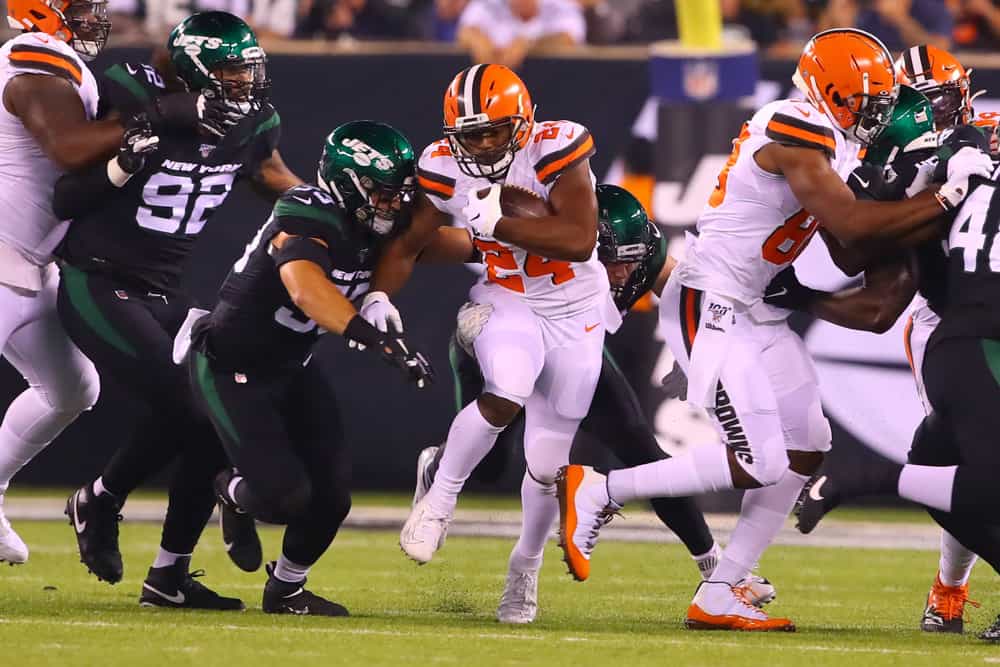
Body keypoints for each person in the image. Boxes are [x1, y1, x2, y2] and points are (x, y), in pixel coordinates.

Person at [555, 28, 993, 632]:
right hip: (713, 300)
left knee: (809, 444)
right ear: (832, 94)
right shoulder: (793, 121)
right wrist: (945, 196)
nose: (876, 114)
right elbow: (852, 224)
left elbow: (850, 251)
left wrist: (916, 188)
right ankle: (599, 489)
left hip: (760, 308)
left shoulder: (838, 143)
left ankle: (721, 589)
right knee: (760, 459)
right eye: (865, 102)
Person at [410, 184, 775, 623]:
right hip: (508, 343)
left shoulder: (644, 253)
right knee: (488, 469)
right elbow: (439, 243)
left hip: (574, 350)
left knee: (637, 451)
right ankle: (440, 468)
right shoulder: (545, 237)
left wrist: (699, 354)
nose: (622, 273)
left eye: (629, 259)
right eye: (611, 260)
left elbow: (684, 296)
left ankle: (714, 567)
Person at [57, 11, 302, 609]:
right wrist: (160, 118)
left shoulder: (252, 123)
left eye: (249, 71)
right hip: (98, 279)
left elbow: (273, 178)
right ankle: (100, 498)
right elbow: (70, 165)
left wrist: (332, 208)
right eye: (228, 71)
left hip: (165, 290)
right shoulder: (132, 88)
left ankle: (168, 575)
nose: (244, 83)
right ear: (193, 70)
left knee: (215, 406)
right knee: (188, 403)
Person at [363, 63, 607, 622]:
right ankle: (440, 498)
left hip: (577, 308)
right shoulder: (442, 166)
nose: (487, 143)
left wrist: (496, 223)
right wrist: (379, 295)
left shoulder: (556, 147)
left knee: (548, 465)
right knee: (508, 391)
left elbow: (578, 238)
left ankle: (524, 571)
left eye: (497, 130)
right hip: (508, 297)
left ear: (523, 124)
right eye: (473, 134)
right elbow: (409, 243)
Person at [0, 0, 216, 563]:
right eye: (84, 7)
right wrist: (160, 114)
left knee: (72, 390)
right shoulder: (34, 62)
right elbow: (70, 150)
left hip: (30, 263)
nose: (98, 17)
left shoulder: (63, 61)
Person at [194, 121, 433, 616]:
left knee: (332, 498)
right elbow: (306, 289)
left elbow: (456, 243)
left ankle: (286, 589)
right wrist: (373, 336)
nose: (393, 203)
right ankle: (232, 492)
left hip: (291, 366)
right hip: (233, 364)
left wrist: (506, 234)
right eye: (383, 193)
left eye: (399, 193)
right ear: (347, 183)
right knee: (284, 499)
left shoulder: (373, 222)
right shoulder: (307, 212)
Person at [787, 47, 988, 636]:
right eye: (920, 102)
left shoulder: (985, 137)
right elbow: (862, 242)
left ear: (964, 95)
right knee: (961, 454)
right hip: (946, 318)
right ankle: (949, 590)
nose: (933, 114)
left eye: (943, 101)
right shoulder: (884, 154)